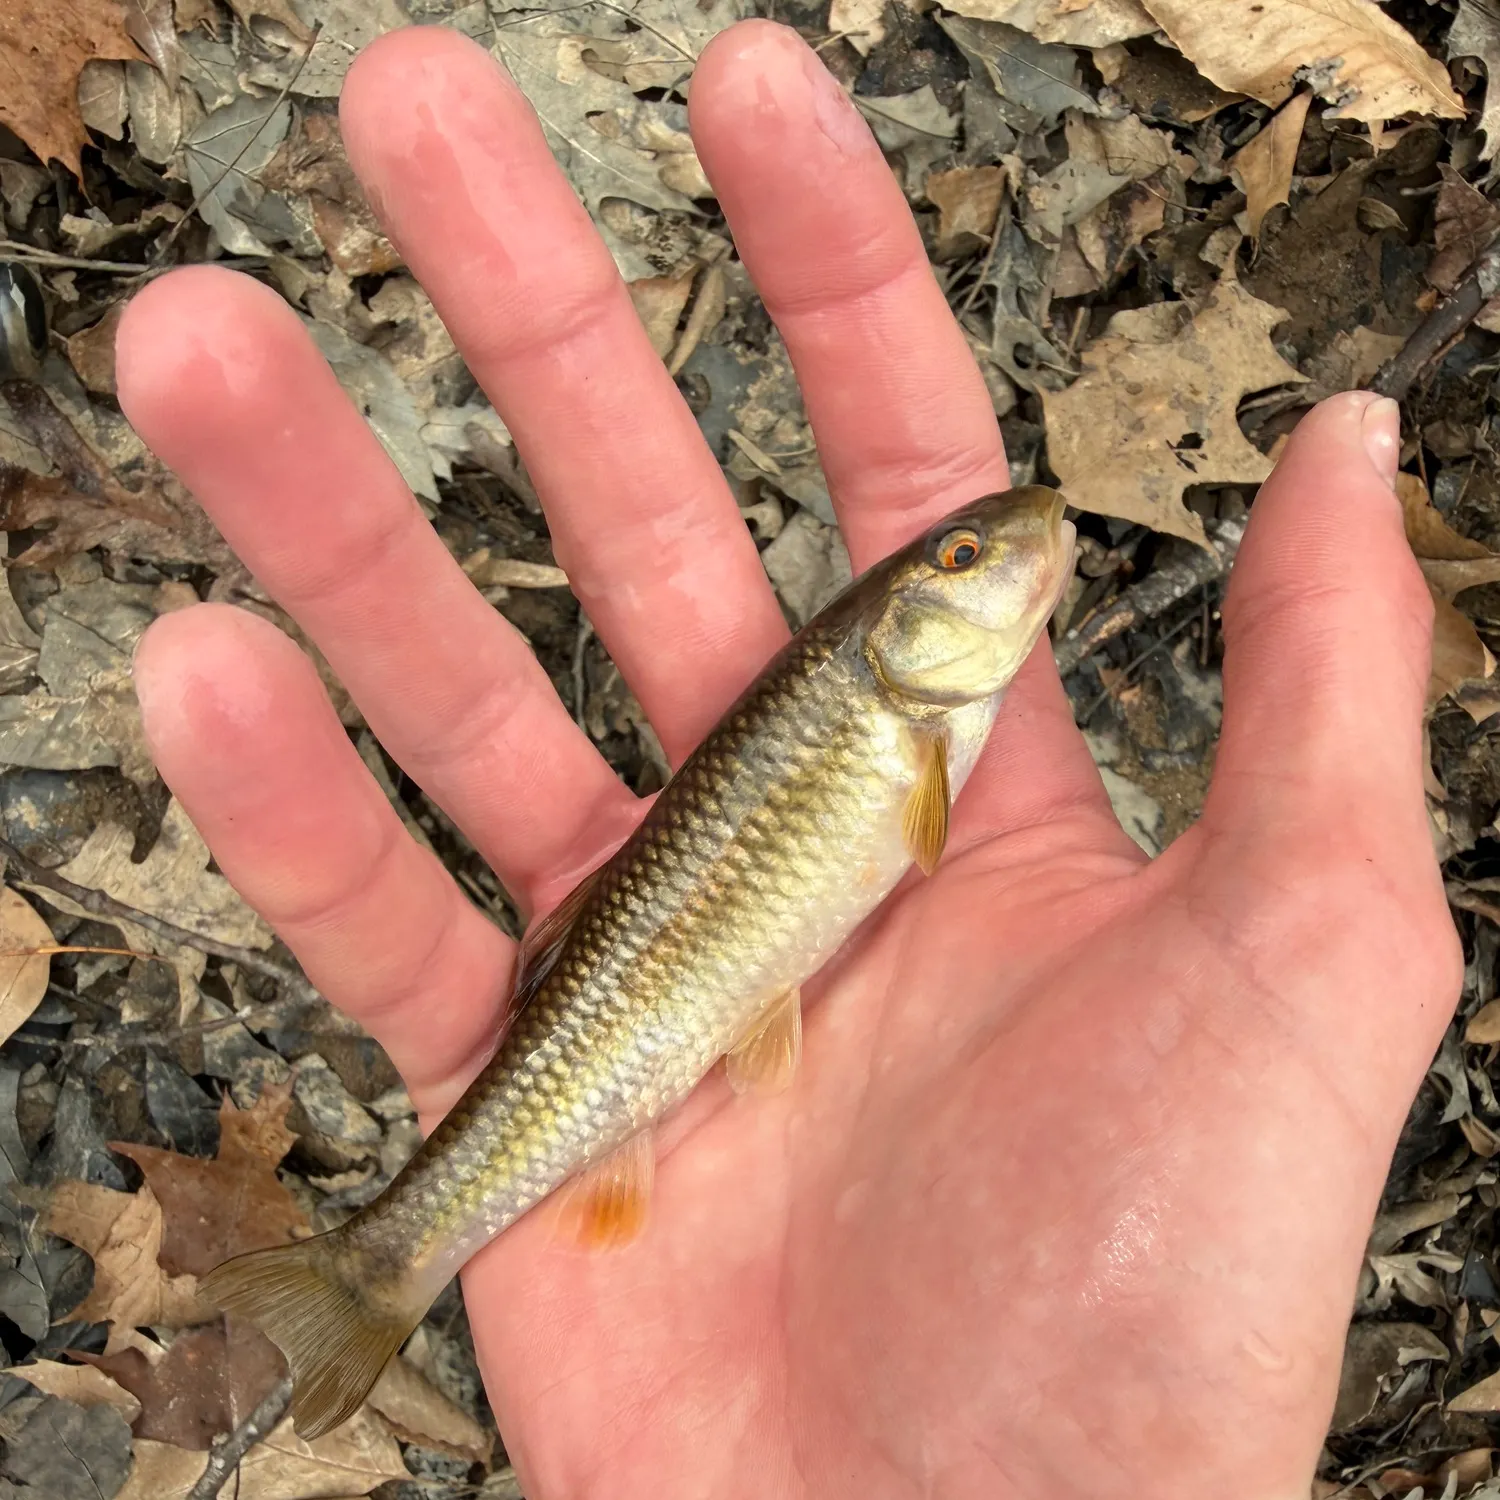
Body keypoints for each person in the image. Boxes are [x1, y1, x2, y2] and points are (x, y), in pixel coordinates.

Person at [113, 19, 1458, 1499]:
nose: (1005, 548)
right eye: (959, 556)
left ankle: (385, 1261)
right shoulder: (899, 716)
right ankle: (381, 1263)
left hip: (657, 1013)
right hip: (638, 1019)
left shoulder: (916, 714)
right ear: (899, 629)